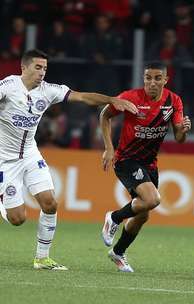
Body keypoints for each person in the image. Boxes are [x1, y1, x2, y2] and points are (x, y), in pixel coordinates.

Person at [0, 49, 138, 270]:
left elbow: (82, 96)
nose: (42, 72)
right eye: (37, 67)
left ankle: (42, 258)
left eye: (45, 68)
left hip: (29, 153)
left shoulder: (48, 91)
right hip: (4, 160)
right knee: (17, 219)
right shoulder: (7, 87)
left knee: (50, 203)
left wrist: (111, 100)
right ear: (23, 67)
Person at [100, 61, 191, 272]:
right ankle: (113, 218)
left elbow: (179, 138)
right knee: (152, 199)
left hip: (150, 163)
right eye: (148, 78)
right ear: (144, 79)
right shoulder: (130, 98)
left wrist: (184, 129)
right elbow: (105, 115)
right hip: (126, 160)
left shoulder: (173, 101)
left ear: (165, 80)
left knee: (143, 214)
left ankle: (118, 252)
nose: (152, 82)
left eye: (157, 78)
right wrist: (109, 147)